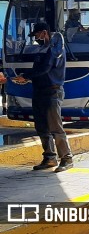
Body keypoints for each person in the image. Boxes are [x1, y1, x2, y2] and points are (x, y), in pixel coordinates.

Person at [12, 22, 73, 172]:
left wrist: (26, 76)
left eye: (37, 35)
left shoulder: (55, 49)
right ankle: (49, 158)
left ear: (44, 33)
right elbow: (38, 70)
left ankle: (66, 158)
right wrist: (26, 78)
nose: (36, 38)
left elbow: (46, 69)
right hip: (39, 91)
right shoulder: (42, 49)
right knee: (41, 127)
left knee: (55, 127)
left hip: (52, 92)